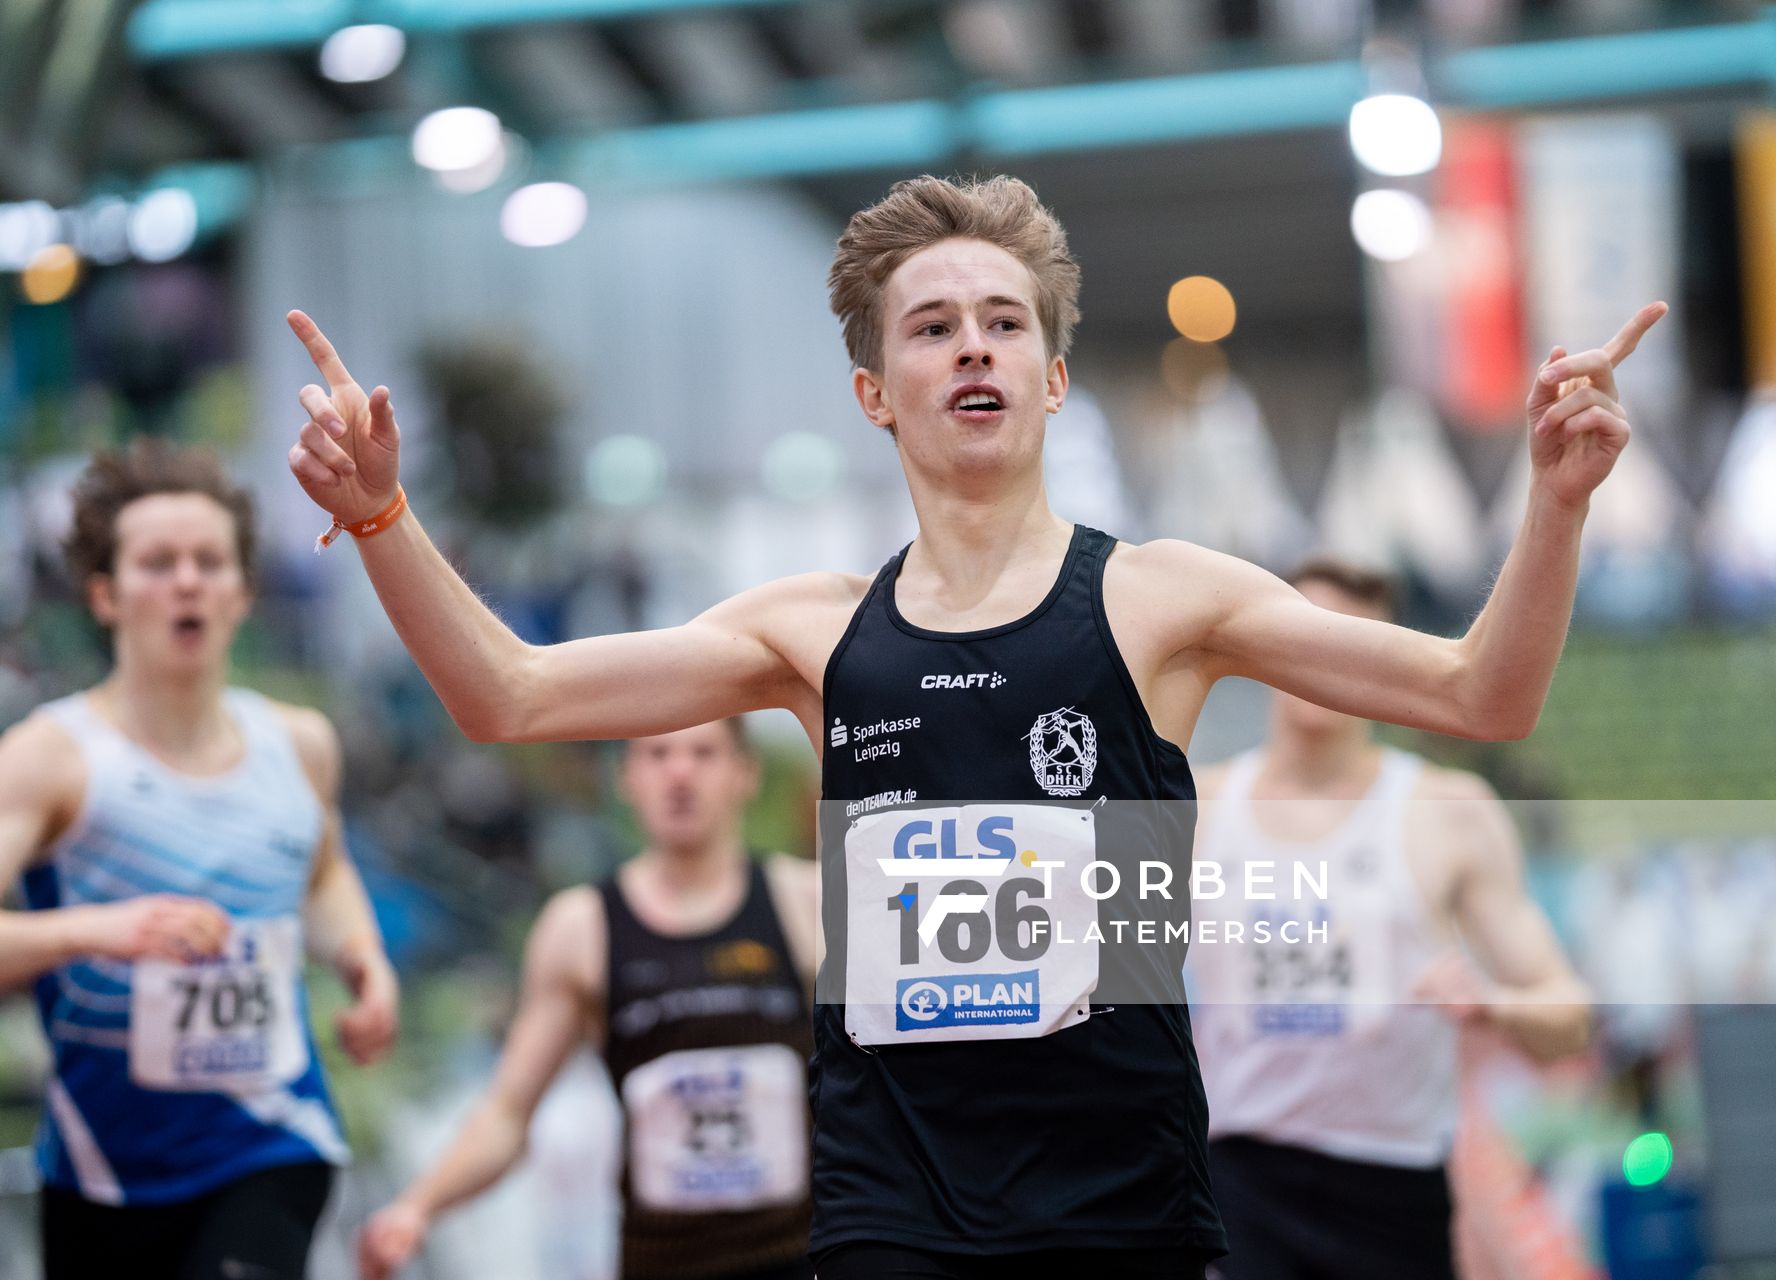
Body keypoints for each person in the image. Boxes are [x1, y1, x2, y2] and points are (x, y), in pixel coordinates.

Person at [282, 174, 1661, 1278]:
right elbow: (507, 694)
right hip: (896, 1211)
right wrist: (382, 521)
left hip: (1126, 1205)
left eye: (1004, 321)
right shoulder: (810, 632)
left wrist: (1553, 506)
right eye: (932, 328)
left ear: (1054, 378)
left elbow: (1487, 693)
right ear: (879, 394)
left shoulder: (1162, 598)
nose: (974, 347)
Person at [0, 440, 398, 1280]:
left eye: (209, 561)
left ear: (240, 591)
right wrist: (99, 928)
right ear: (105, 594)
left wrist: (362, 957)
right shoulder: (52, 758)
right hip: (101, 1171)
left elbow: (326, 872)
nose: (188, 581)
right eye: (158, 562)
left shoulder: (301, 745)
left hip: (272, 1143)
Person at [1186, 559, 1593, 1280]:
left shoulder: (1449, 812)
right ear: (1265, 651)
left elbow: (1568, 1019)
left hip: (1394, 1187)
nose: (1321, 664)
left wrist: (1496, 1005)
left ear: (1385, 654)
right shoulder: (1198, 807)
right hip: (1237, 1185)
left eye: (1348, 640)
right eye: (1305, 636)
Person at [358, 717, 822, 1280]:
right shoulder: (581, 930)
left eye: (704, 753)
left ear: (746, 774)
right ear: (626, 777)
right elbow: (507, 1113)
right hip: (665, 1263)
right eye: (657, 755)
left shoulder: (808, 904)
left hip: (803, 1256)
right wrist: (417, 1206)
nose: (680, 773)